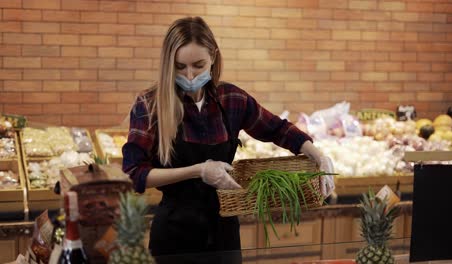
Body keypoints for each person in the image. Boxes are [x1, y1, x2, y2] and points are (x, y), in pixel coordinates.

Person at [122, 16, 335, 264]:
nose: (189, 75)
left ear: (213, 57)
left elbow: (278, 129)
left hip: (224, 232)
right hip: (174, 236)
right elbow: (134, 173)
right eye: (180, 67)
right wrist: (198, 171)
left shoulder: (231, 98)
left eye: (198, 65)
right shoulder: (150, 105)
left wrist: (318, 155)